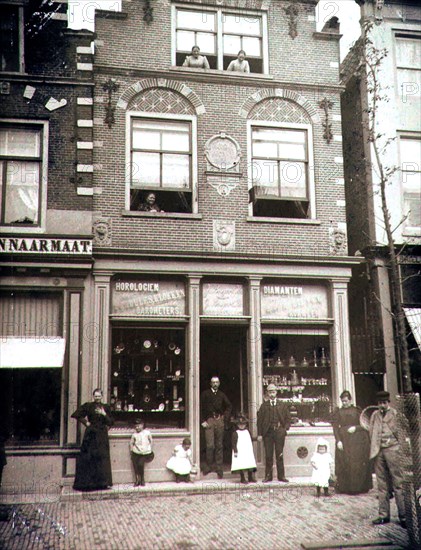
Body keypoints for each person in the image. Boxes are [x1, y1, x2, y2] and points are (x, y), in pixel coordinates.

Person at [369, 391, 406, 529]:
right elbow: (371, 431)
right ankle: (384, 515)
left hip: (393, 450)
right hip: (378, 451)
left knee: (398, 483)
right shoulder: (375, 415)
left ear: (388, 403)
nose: (382, 405)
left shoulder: (395, 414)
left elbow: (402, 432)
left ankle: (403, 516)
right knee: (382, 484)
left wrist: (396, 444)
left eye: (384, 403)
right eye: (380, 403)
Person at [71, 388, 113, 491]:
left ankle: (102, 484)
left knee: (101, 458)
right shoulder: (88, 406)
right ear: (93, 396)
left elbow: (111, 422)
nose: (97, 398)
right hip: (91, 435)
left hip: (102, 435)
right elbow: (76, 414)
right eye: (95, 396)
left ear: (102, 397)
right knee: (89, 457)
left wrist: (104, 414)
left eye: (99, 396)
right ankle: (88, 484)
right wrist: (86, 423)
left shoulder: (106, 407)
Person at [331, 390, 372, 494]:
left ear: (350, 400)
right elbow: (335, 428)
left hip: (356, 440)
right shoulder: (338, 412)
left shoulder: (357, 410)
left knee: (356, 463)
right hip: (344, 439)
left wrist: (356, 428)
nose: (344, 403)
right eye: (342, 401)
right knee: (344, 462)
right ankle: (345, 488)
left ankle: (358, 488)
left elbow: (365, 424)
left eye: (346, 401)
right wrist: (338, 441)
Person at [257, 384, 291, 482]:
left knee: (279, 455)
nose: (271, 394)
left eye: (273, 392)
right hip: (268, 433)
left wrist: (285, 429)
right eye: (270, 392)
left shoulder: (282, 405)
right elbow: (259, 421)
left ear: (276, 392)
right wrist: (259, 434)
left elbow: (288, 418)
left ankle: (281, 476)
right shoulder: (264, 406)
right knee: (268, 455)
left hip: (279, 432)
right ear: (267, 393)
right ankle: (268, 476)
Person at [201, 376, 232, 478]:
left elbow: (229, 406)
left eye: (217, 382)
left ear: (219, 384)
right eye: (213, 382)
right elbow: (199, 407)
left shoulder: (221, 394)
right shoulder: (205, 394)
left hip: (219, 421)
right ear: (210, 383)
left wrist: (224, 417)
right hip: (209, 420)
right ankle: (209, 466)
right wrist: (202, 421)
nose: (215, 384)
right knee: (210, 445)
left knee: (219, 445)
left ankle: (219, 467)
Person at [231, 413, 257, 484]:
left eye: (243, 424)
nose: (242, 426)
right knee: (241, 464)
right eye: (240, 424)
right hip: (240, 451)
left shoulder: (247, 431)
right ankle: (242, 478)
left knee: (249, 463)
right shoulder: (236, 433)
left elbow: (251, 438)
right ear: (237, 425)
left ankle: (250, 477)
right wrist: (235, 451)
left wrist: (257, 438)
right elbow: (233, 443)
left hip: (247, 450)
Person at [129, 418, 154, 486]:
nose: (137, 428)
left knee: (140, 464)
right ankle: (137, 480)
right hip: (136, 452)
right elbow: (131, 443)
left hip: (145, 453)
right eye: (135, 426)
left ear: (142, 425)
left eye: (138, 426)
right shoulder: (134, 435)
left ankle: (142, 478)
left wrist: (150, 448)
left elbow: (151, 440)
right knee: (135, 465)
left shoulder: (147, 433)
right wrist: (131, 450)